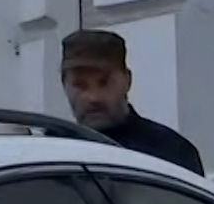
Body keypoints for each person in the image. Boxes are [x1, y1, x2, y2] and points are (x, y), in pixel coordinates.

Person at [59, 29, 205, 175]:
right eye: (80, 85)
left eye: (104, 83)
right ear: (64, 84)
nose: (93, 97)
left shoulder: (170, 152)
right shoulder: (56, 155)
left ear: (127, 80)